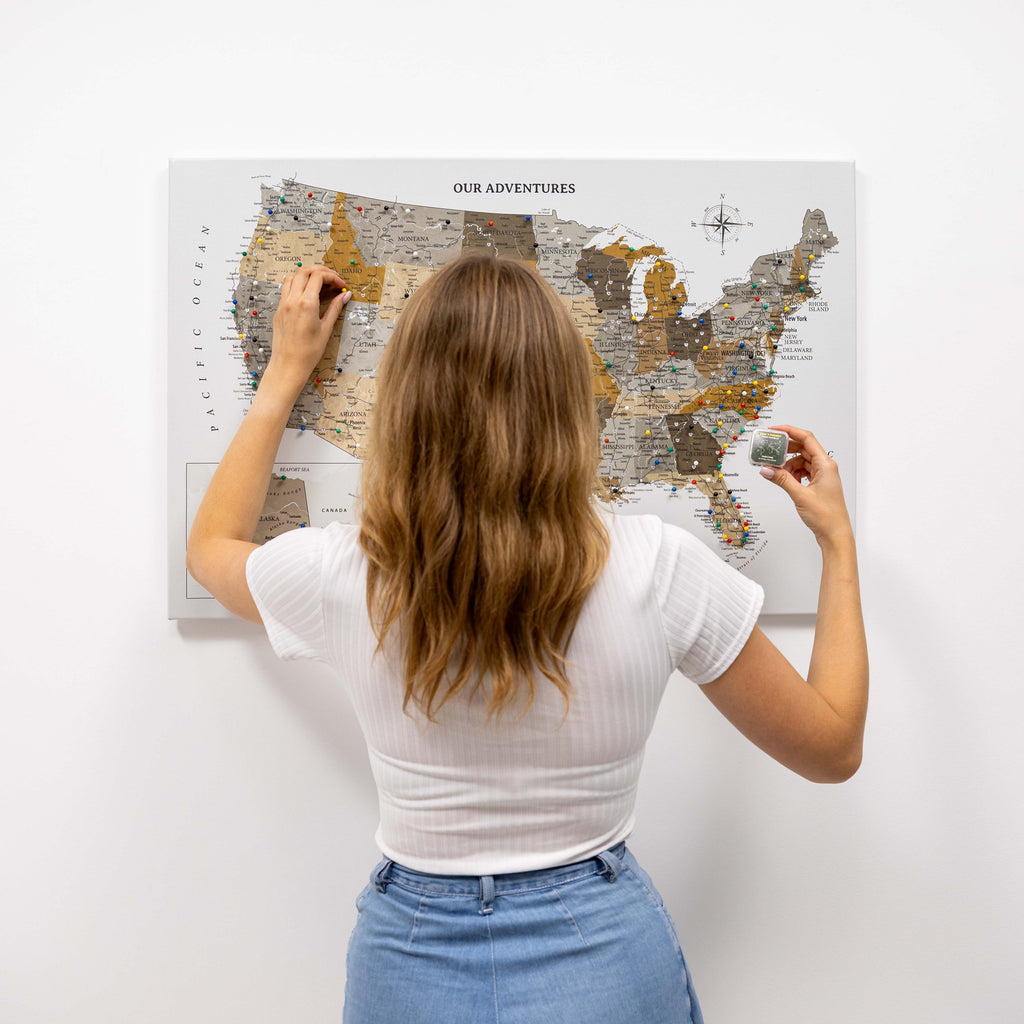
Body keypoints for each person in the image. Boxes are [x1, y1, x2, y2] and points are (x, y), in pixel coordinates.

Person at [186, 254, 868, 1024]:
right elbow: (833, 747)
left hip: (407, 960)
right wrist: (837, 544)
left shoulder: (347, 574)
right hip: (605, 956)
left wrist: (284, 375)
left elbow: (212, 550)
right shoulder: (658, 567)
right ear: (567, 398)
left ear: (404, 405)